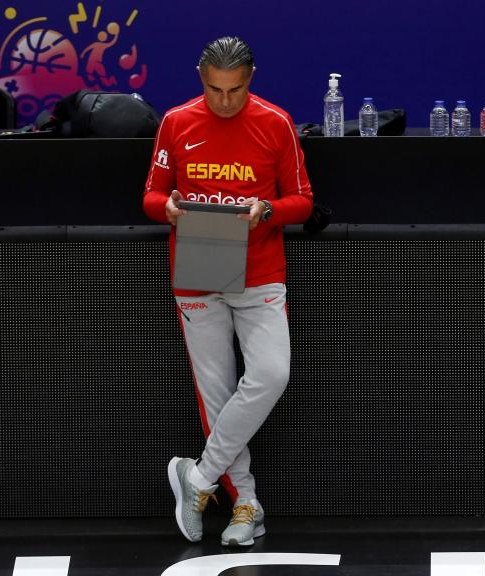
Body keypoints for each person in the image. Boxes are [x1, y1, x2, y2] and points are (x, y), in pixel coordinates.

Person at [142, 36, 314, 546]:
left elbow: (302, 201)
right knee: (216, 398)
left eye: (234, 90)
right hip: (198, 268)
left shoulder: (275, 122)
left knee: (271, 373)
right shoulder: (176, 121)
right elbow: (151, 195)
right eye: (215, 90)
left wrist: (268, 211)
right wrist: (167, 209)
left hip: (260, 269)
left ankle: (195, 477)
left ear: (251, 78)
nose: (223, 101)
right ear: (201, 77)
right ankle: (245, 504)